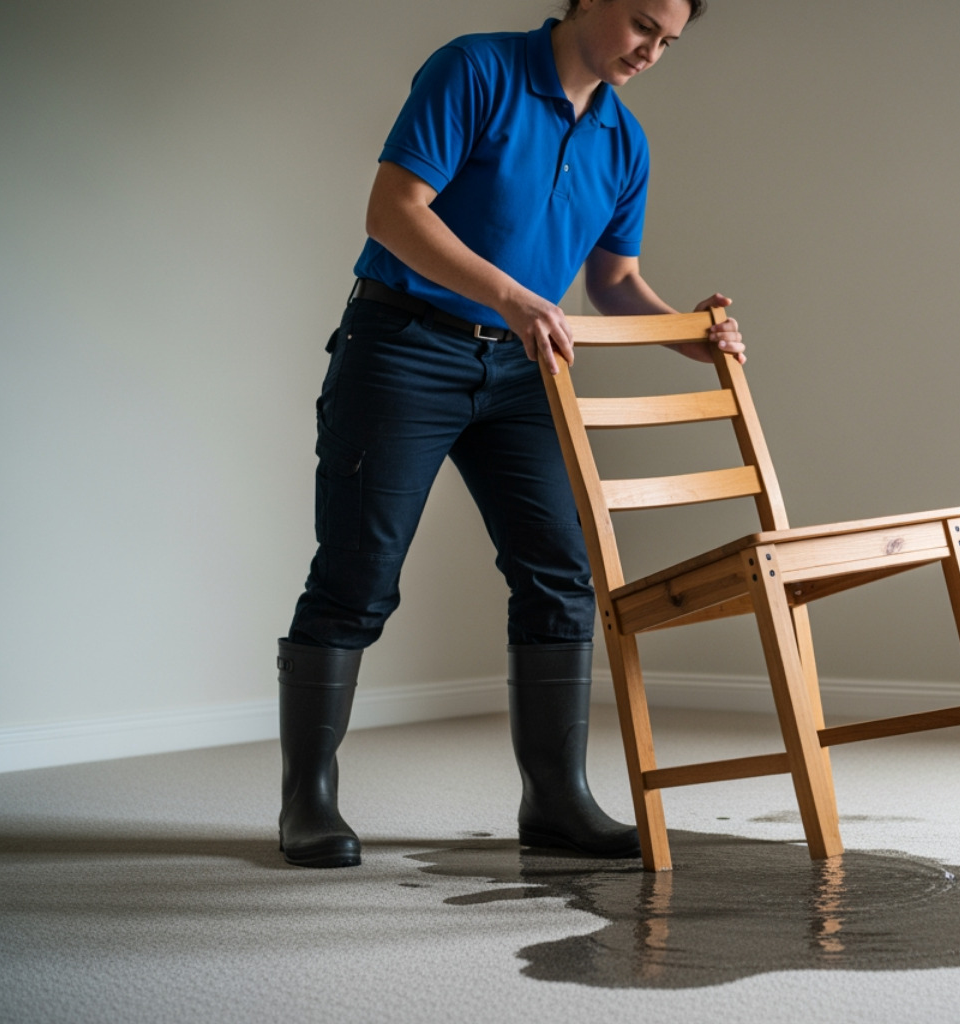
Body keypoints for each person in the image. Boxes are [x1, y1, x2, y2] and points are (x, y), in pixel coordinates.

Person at [276, 0, 743, 869]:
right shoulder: (476, 69)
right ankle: (308, 799)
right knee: (355, 578)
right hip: (403, 348)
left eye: (668, 41)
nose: (651, 51)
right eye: (643, 25)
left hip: (524, 370)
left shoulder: (624, 141)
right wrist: (513, 296)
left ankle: (556, 801)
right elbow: (393, 211)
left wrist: (688, 334)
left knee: (560, 575)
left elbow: (614, 282)